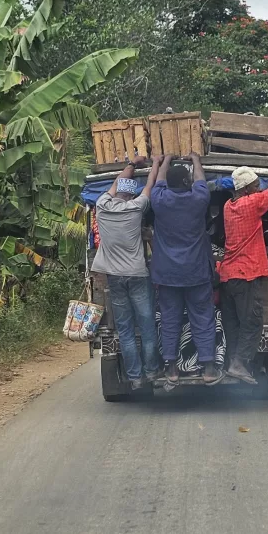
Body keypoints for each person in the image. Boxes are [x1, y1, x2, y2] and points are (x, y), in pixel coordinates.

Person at [150, 153, 223, 386]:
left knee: (170, 320)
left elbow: (158, 182)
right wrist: (196, 161)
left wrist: (165, 161)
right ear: (186, 182)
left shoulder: (159, 201)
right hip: (196, 273)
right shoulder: (198, 200)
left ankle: (171, 369)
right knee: (203, 318)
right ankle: (209, 368)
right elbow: (200, 181)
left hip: (168, 274)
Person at [91, 157, 161, 390]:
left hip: (114, 277)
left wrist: (130, 165)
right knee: (148, 326)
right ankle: (151, 372)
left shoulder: (101, 206)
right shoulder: (135, 208)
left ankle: (135, 377)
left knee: (126, 330)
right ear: (131, 195)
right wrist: (158, 163)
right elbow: (150, 186)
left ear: (117, 193)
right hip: (138, 276)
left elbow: (115, 186)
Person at [219, 156, 268, 384]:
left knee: (234, 324)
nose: (259, 189)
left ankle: (232, 365)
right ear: (246, 190)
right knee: (253, 322)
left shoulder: (228, 206)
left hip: (228, 276)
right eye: (255, 187)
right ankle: (239, 364)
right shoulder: (252, 204)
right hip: (246, 275)